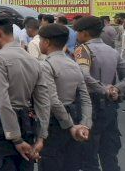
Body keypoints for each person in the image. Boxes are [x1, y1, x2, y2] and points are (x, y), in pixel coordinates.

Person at [0, 13, 50, 171]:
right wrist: (41, 137)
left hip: (4, 129)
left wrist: (16, 138)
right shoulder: (32, 60)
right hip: (27, 125)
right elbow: (43, 102)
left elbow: (3, 101)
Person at [72, 15, 125, 171]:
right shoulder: (112, 51)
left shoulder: (83, 50)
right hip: (110, 107)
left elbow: (84, 76)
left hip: (90, 107)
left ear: (84, 33)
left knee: (89, 155)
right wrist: (116, 89)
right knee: (109, 154)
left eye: (78, 32)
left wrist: (103, 89)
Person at [37, 23, 92, 171]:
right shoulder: (73, 64)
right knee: (71, 164)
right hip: (74, 115)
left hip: (54, 122)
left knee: (50, 163)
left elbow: (53, 100)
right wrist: (84, 123)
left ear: (46, 42)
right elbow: (85, 97)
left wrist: (70, 126)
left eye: (41, 39)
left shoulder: (46, 65)